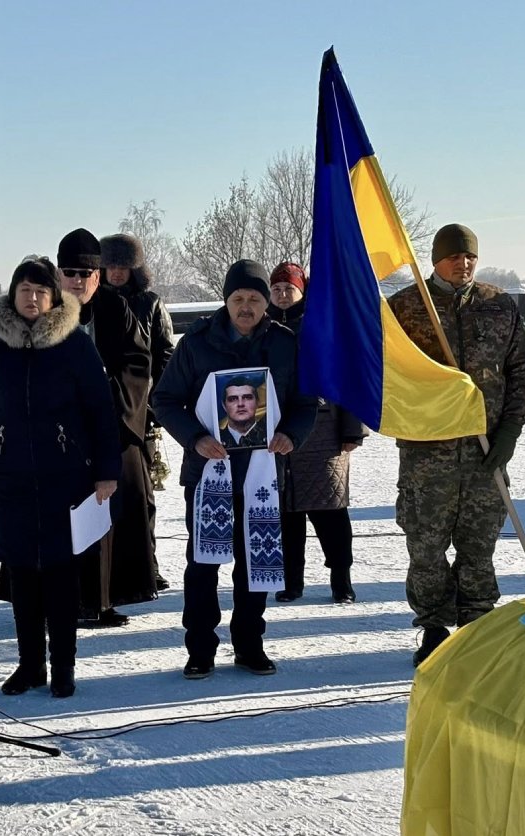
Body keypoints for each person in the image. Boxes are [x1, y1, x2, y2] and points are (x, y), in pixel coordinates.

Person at [0, 257, 121, 698]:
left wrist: (107, 472)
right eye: (24, 289)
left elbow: (101, 411)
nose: (31, 298)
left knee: (62, 578)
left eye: (40, 291)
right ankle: (30, 666)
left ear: (53, 298)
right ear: (13, 294)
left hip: (66, 477)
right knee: (23, 578)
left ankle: (63, 667)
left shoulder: (74, 346)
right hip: (7, 478)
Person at [152, 259, 317, 679]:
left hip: (261, 475)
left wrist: (291, 436)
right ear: (226, 300)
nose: (246, 306)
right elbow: (165, 399)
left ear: (266, 303)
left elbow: (304, 402)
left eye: (255, 299)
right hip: (210, 473)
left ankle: (249, 644)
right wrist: (195, 437)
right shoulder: (197, 342)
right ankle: (200, 648)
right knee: (204, 564)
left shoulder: (284, 343)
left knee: (254, 563)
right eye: (238, 298)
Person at [388, 224, 525, 666]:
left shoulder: (499, 306)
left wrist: (509, 432)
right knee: (426, 546)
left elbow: (522, 370)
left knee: (479, 546)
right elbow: (386, 375)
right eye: (454, 256)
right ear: (436, 259)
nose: (463, 263)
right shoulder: (406, 308)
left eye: (470, 256)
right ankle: (434, 626)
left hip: (483, 450)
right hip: (426, 454)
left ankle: (475, 624)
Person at [54, 228, 157, 626]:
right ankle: (64, 601)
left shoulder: (117, 309)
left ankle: (105, 598)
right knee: (62, 521)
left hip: (111, 428)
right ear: (59, 275)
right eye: (71, 272)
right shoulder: (44, 310)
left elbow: (139, 364)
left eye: (87, 273)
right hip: (59, 437)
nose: (78, 280)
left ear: (99, 277)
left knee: (111, 515)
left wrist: (103, 392)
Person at [267, 261, 367, 604]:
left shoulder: (323, 324)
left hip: (324, 431)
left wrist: (352, 428)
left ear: (302, 291)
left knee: (330, 511)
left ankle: (342, 578)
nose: (282, 295)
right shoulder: (262, 328)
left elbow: (347, 378)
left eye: (288, 289)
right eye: (276, 289)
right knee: (286, 512)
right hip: (277, 430)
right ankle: (291, 581)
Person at [100, 232, 175, 587]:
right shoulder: (92, 304)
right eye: (110, 265)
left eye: (122, 266)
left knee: (142, 495)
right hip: (103, 409)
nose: (116, 273)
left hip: (141, 411)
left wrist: (157, 403)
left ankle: (149, 561)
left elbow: (164, 355)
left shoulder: (150, 303)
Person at [218, 377, 269, 449]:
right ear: (224, 406)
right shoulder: (214, 439)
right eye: (233, 399)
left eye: (247, 397)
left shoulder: (272, 434)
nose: (240, 404)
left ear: (257, 402)